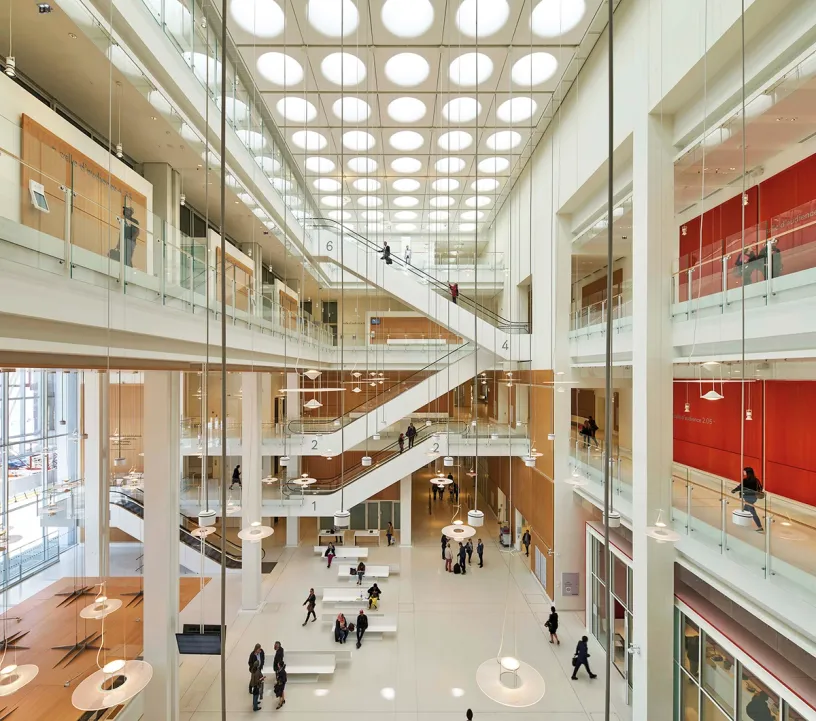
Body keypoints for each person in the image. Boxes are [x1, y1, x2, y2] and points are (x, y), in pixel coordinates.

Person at [731, 466, 765, 531]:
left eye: (744, 471)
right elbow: (760, 488)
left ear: (747, 472)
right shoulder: (756, 480)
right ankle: (743, 522)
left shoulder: (745, 480)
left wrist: (734, 490)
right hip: (754, 497)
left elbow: (740, 487)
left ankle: (760, 527)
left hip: (747, 497)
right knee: (745, 509)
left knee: (752, 512)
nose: (743, 472)